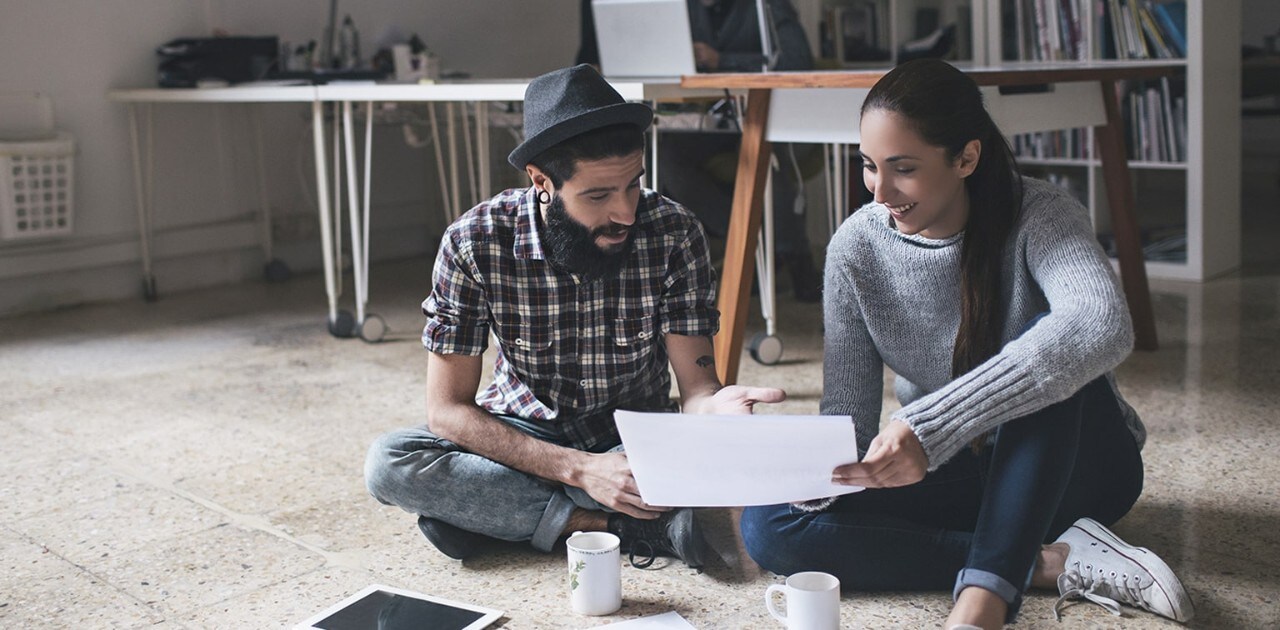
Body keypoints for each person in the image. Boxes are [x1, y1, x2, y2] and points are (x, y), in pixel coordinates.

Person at [738, 59, 1193, 629]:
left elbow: (1100, 323)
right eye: (869, 166)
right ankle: (1048, 563)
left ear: (966, 158)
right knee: (769, 524)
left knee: (1045, 361)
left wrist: (935, 425)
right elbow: (848, 422)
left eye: (903, 168)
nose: (881, 190)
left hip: (1083, 462)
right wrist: (788, 469)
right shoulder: (856, 248)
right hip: (966, 465)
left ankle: (981, 606)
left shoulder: (1041, 214)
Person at [364, 64, 785, 569]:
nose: (626, 212)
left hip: (633, 440)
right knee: (391, 463)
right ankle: (620, 527)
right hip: (525, 436)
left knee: (719, 467)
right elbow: (449, 410)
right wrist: (582, 470)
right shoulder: (475, 241)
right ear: (542, 181)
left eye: (633, 185)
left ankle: (496, 517)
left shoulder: (674, 232)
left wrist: (713, 411)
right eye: (599, 195)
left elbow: (696, 390)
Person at [577, 0, 823, 301]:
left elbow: (797, 60)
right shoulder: (683, 9)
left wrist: (722, 60)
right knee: (667, 153)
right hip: (719, 118)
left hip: (776, 117)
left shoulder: (769, 6)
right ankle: (744, 239)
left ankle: (793, 252)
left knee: (768, 148)